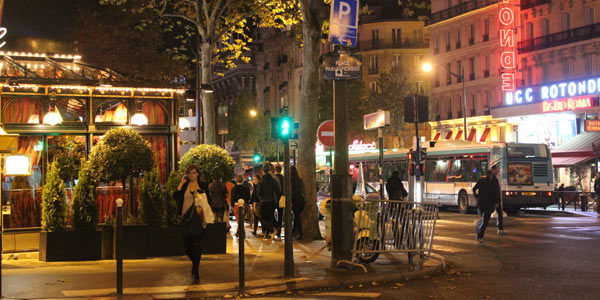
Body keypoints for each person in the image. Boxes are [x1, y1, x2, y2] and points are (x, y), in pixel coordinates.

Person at [174, 165, 210, 281]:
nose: (192, 175)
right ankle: (195, 266)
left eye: (194, 172)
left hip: (199, 219)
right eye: (190, 173)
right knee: (187, 247)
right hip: (185, 219)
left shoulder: (203, 186)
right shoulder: (185, 186)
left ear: (198, 174)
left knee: (196, 244)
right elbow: (175, 196)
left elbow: (208, 201)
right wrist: (181, 182)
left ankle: (196, 270)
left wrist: (200, 197)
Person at [472, 169, 500, 242]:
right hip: (489, 204)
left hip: (480, 204)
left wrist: (477, 196)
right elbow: (497, 193)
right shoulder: (494, 183)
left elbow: (474, 189)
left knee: (482, 219)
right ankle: (479, 235)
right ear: (491, 175)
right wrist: (497, 202)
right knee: (485, 221)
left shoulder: (481, 181)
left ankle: (478, 232)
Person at [256, 163, 281, 240]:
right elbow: (277, 190)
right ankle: (269, 233)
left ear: (263, 171)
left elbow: (258, 192)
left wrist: (261, 199)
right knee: (270, 217)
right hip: (272, 201)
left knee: (263, 218)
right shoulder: (273, 180)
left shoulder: (261, 181)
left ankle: (271, 230)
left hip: (264, 202)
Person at [290, 166, 306, 240]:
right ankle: (294, 232)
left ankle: (300, 233)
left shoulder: (291, 180)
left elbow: (290, 191)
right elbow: (303, 190)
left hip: (295, 200)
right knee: (297, 217)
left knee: (297, 217)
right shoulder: (299, 180)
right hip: (301, 200)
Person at [489, 165, 505, 235]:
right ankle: (480, 229)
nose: (498, 171)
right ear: (493, 170)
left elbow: (498, 189)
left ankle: (500, 228)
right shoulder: (491, 178)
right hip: (492, 199)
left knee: (500, 213)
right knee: (487, 215)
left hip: (496, 199)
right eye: (497, 169)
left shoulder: (498, 177)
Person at [273, 165, 285, 238]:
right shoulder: (283, 178)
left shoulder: (273, 178)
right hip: (281, 198)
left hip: (274, 198)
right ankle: (279, 230)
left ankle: (275, 228)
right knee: (280, 215)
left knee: (274, 214)